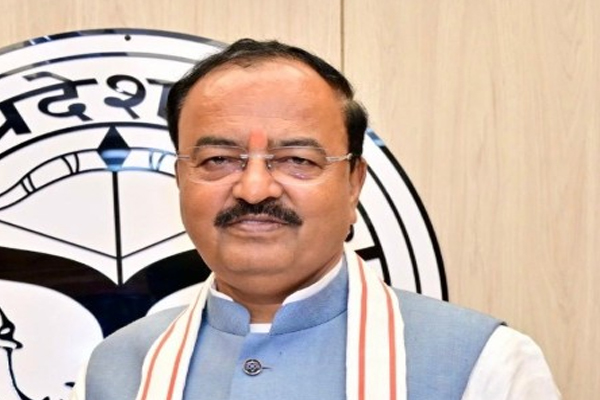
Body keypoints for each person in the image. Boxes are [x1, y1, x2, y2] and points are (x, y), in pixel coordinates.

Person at [71, 38, 560, 400]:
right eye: (218, 159)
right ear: (181, 179)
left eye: (297, 160)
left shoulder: (484, 365)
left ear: (353, 183)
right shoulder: (116, 371)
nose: (255, 189)